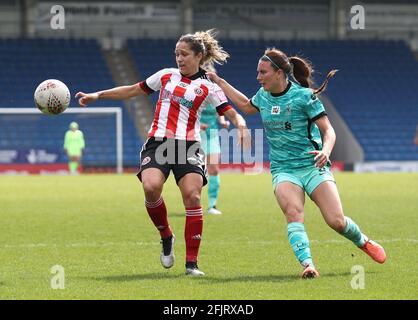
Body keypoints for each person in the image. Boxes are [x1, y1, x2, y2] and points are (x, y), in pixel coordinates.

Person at [75, 29, 251, 276]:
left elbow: (229, 111)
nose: (179, 58)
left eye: (184, 54)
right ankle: (166, 235)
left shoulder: (208, 86)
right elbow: (132, 90)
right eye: (177, 54)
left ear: (199, 56)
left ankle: (192, 263)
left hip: (188, 146)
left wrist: (241, 125)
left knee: (192, 196)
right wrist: (98, 95)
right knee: (150, 187)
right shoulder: (166, 76)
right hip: (158, 143)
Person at [207, 48, 386, 279]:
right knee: (293, 212)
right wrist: (220, 81)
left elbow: (328, 131)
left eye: (263, 72)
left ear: (279, 73)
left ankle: (363, 241)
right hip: (284, 169)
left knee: (336, 222)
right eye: (257, 72)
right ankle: (308, 265)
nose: (258, 77)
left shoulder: (305, 97)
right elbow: (245, 106)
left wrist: (325, 149)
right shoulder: (263, 95)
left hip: (312, 166)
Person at [200, 63, 230, 215]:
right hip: (195, 136)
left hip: (211, 135)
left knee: (214, 169)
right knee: (195, 171)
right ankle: (193, 204)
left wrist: (223, 121)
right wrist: (198, 124)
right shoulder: (194, 91)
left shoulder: (216, 93)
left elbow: (221, 111)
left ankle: (212, 205)